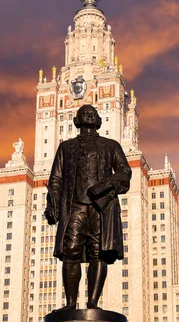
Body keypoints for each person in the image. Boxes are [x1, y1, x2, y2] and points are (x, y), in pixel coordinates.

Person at [45, 104, 131, 310]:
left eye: (93, 113)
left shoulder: (111, 146)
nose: (89, 114)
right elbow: (56, 178)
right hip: (74, 206)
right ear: (76, 121)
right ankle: (71, 304)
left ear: (99, 120)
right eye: (84, 113)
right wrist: (54, 204)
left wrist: (105, 185)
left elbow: (124, 171)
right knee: (70, 251)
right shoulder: (66, 147)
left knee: (98, 252)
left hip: (101, 207)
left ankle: (93, 303)